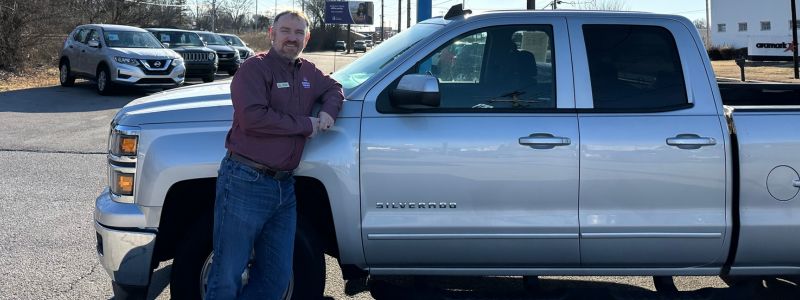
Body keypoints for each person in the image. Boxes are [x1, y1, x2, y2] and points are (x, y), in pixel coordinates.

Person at [205, 10, 344, 300]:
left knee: (276, 279)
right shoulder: (254, 69)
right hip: (245, 180)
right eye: (285, 31)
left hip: (285, 188)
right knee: (227, 273)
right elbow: (252, 117)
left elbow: (334, 88)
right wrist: (305, 125)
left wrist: (330, 110)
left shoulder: (308, 72)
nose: (291, 38)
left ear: (307, 37)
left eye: (298, 32)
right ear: (272, 34)